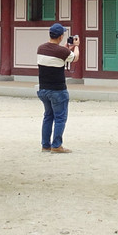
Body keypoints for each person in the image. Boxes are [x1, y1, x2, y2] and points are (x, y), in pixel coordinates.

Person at [36, 22, 79, 153]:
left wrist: (65, 48)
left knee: (48, 116)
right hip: (58, 89)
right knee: (60, 117)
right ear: (60, 37)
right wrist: (76, 46)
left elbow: (55, 56)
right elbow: (75, 58)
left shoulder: (41, 48)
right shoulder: (62, 51)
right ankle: (57, 145)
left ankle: (45, 145)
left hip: (43, 89)